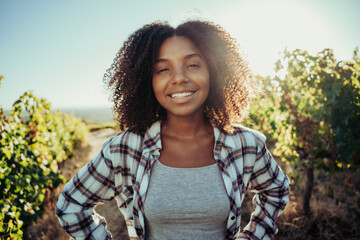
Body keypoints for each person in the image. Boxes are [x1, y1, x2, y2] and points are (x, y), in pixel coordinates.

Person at [56, 20, 289, 240]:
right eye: (163, 69)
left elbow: (276, 190)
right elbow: (71, 205)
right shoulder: (125, 149)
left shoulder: (246, 144)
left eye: (192, 65)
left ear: (215, 71)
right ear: (147, 80)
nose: (179, 78)